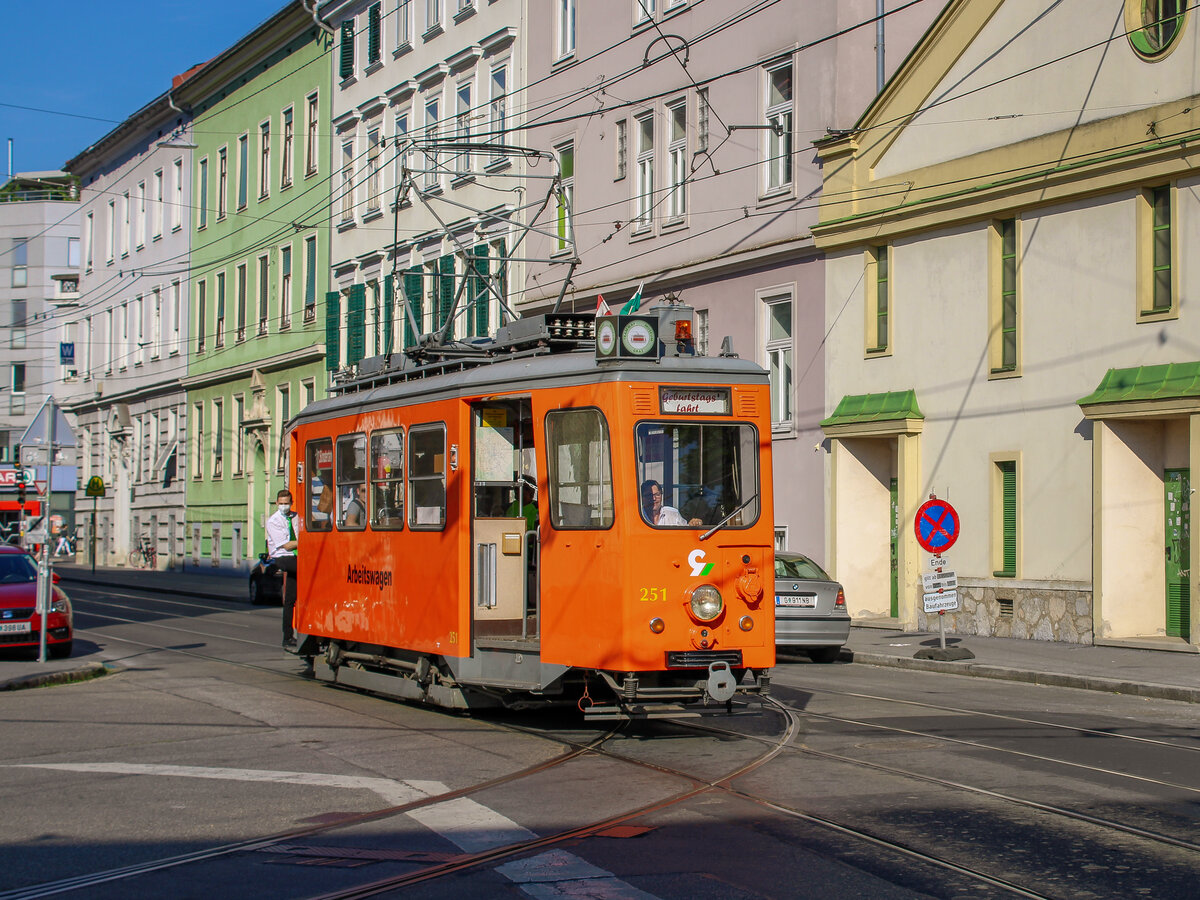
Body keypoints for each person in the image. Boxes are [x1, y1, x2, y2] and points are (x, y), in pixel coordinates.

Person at [266, 488, 301, 648]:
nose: (284, 506)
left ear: (291, 503)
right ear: (276, 503)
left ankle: (288, 637)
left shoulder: (296, 517)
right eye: (281, 503)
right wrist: (307, 540)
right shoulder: (273, 521)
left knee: (290, 599)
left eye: (286, 503)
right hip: (282, 557)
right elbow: (286, 545)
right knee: (306, 569)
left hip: (297, 556)